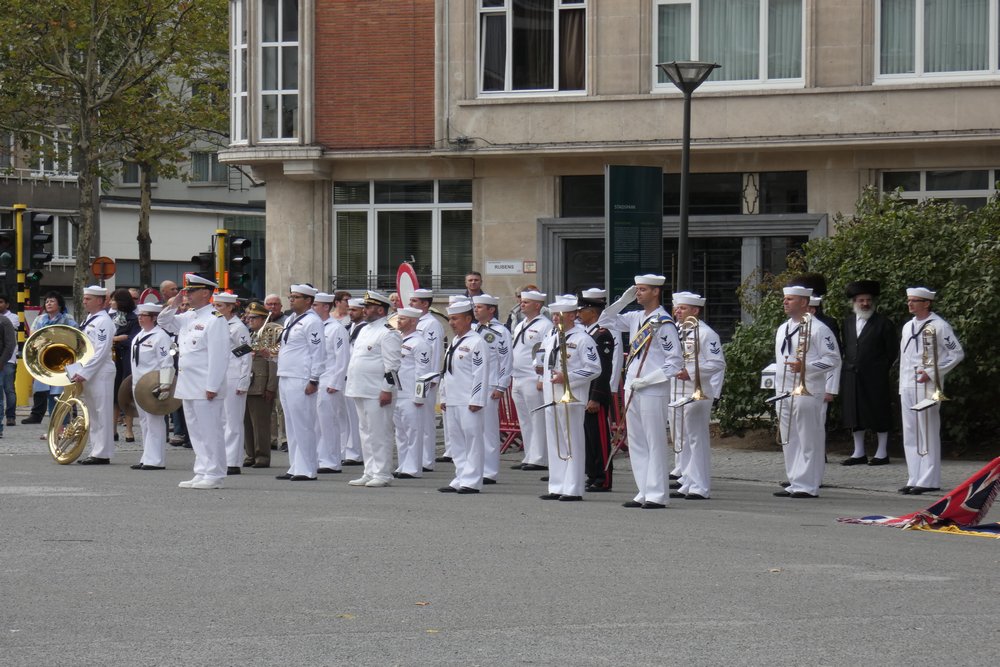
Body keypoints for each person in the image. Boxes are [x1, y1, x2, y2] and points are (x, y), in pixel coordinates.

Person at [598, 275, 683, 508]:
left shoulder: (663, 322)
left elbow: (675, 362)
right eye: (637, 290)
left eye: (643, 290)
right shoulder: (636, 317)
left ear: (656, 292)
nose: (639, 293)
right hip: (633, 387)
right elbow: (605, 319)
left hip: (652, 389)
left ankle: (657, 494)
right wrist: (623, 300)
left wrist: (649, 380)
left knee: (653, 441)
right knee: (636, 442)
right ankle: (643, 490)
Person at [158, 274, 230, 489]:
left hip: (205, 384)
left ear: (206, 293)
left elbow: (219, 356)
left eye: (191, 291)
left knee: (210, 431)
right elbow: (163, 321)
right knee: (196, 432)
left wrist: (212, 386)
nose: (186, 294)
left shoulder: (215, 319)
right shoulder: (189, 317)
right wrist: (175, 304)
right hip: (188, 384)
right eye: (186, 291)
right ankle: (202, 470)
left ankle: (215, 473)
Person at [771, 285, 841, 499]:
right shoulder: (784, 327)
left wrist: (807, 368)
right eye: (785, 299)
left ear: (803, 302)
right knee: (789, 438)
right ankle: (795, 480)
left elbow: (833, 359)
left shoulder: (819, 329)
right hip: (784, 389)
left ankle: (808, 484)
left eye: (790, 299)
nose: (785, 302)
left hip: (808, 389)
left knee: (807, 437)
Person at [898, 287, 964, 495]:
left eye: (915, 300)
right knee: (910, 433)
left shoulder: (939, 326)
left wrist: (933, 372)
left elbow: (956, 353)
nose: (910, 304)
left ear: (926, 303)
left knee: (927, 430)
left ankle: (929, 479)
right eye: (909, 300)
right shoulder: (908, 326)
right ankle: (914, 477)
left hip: (927, 385)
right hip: (908, 384)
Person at [537, 299, 600, 501]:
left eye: (560, 314)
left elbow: (594, 368)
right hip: (551, 394)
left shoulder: (583, 339)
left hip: (572, 396)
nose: (556, 318)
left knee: (572, 440)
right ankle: (557, 485)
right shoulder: (552, 336)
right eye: (554, 315)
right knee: (555, 440)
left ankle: (573, 487)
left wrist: (569, 377)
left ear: (573, 315)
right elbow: (543, 360)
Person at [668, 292, 726, 501]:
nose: (677, 312)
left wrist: (690, 372)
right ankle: (688, 481)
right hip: (676, 392)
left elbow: (717, 363)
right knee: (682, 441)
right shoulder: (677, 332)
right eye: (676, 308)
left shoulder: (705, 333)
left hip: (696, 392)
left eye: (682, 308)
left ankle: (700, 486)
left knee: (696, 439)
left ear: (695, 311)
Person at [345, 290, 401, 488]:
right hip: (360, 388)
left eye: (368, 307)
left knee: (380, 433)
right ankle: (369, 471)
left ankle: (383, 472)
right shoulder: (365, 330)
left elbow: (392, 366)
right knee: (366, 432)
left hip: (377, 390)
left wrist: (387, 389)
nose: (364, 310)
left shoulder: (388, 332)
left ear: (379, 309)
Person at [839, 280, 898, 466]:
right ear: (854, 302)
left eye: (868, 300)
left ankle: (881, 453)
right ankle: (859, 452)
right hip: (852, 375)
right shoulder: (847, 323)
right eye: (861, 300)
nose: (865, 303)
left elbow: (892, 351)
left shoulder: (883, 323)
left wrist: (879, 368)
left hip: (875, 376)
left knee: (879, 412)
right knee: (854, 413)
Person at [275, 284, 326, 482]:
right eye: (291, 296)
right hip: (286, 374)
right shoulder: (290, 319)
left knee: (303, 424)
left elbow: (318, 352)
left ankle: (307, 468)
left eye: (296, 297)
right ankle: (295, 465)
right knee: (291, 424)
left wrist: (314, 379)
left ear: (308, 301)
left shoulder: (313, 321)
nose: (292, 299)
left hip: (301, 377)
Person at [438, 300, 490, 494]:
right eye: (450, 319)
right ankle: (460, 476)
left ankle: (472, 480)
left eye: (456, 319)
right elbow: (446, 372)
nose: (452, 323)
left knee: (473, 440)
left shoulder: (476, 342)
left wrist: (476, 399)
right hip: (453, 399)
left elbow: (480, 372)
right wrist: (443, 397)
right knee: (457, 442)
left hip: (468, 400)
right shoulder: (455, 342)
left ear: (468, 319)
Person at [577, 289, 617, 492]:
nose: (578, 314)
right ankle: (592, 473)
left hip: (596, 395)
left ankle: (603, 477)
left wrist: (596, 397)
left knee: (600, 438)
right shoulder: (585, 334)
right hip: (584, 393)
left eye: (581, 310)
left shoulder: (602, 335)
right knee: (589, 437)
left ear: (592, 312)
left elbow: (603, 369)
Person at [72, 286, 117, 465]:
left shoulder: (103, 321)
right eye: (84, 299)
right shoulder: (90, 319)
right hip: (90, 372)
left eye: (88, 299)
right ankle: (96, 450)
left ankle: (103, 453)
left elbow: (101, 350)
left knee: (102, 412)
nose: (84, 302)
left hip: (101, 372)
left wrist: (84, 372)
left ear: (99, 301)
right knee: (93, 413)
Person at [509, 289, 553, 472]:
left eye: (527, 302)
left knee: (537, 418)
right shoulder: (520, 325)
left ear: (537, 305)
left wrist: (542, 377)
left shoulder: (545, 325)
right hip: (518, 375)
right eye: (522, 301)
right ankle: (529, 454)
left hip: (532, 376)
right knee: (525, 419)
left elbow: (544, 352)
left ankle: (540, 457)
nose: (522, 304)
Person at [128, 303, 173, 470]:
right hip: (138, 384)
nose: (140, 318)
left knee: (155, 421)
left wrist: (165, 385)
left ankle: (156, 459)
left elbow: (166, 362)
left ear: (154, 318)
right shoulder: (139, 335)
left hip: (153, 384)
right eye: (139, 315)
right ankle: (147, 456)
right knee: (145, 422)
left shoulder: (160, 336)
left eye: (144, 315)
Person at [472, 294, 512, 485]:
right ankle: (475, 467)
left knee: (488, 429)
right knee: (474, 428)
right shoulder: (472, 329)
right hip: (473, 384)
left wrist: (501, 385)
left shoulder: (500, 331)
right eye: (475, 307)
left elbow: (505, 359)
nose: (476, 310)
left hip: (490, 384)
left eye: (480, 307)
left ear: (491, 310)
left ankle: (489, 470)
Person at [23, 292, 78, 424]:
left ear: (59, 304)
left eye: (52, 301)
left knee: (62, 393)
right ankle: (55, 426)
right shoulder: (40, 319)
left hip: (64, 360)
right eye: (47, 301)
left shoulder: (68, 319)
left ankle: (64, 425)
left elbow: (75, 338)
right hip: (46, 359)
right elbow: (33, 337)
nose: (48, 304)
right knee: (49, 393)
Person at [392, 306, 433, 478]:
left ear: (413, 321)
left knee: (413, 432)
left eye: (402, 318)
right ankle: (403, 464)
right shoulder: (398, 339)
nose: (398, 321)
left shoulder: (420, 343)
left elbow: (423, 372)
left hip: (410, 394)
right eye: (398, 318)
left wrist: (419, 396)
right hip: (397, 393)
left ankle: (413, 467)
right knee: (400, 433)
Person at [213, 292, 251, 475]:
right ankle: (222, 458)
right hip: (220, 376)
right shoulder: (217, 324)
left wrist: (244, 381)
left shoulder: (237, 327)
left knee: (233, 420)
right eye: (215, 306)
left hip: (234, 375)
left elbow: (245, 354)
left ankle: (233, 461)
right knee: (221, 419)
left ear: (230, 307)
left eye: (220, 306)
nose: (216, 309)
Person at [408, 288, 446, 469]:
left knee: (425, 420)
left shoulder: (431, 324)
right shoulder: (415, 321)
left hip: (426, 379)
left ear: (425, 304)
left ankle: (427, 460)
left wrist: (431, 378)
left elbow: (435, 351)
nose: (410, 304)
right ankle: (417, 457)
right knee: (415, 420)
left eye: (414, 301)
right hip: (412, 379)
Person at [313, 291, 350, 475]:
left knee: (329, 422)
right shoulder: (314, 326)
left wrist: (336, 382)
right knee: (316, 423)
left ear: (326, 307)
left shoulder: (336, 328)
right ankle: (319, 457)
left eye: (315, 305)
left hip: (329, 380)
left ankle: (331, 460)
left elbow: (342, 358)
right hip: (314, 380)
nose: (312, 308)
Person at [243, 302, 278, 468]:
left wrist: (270, 386)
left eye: (254, 317)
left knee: (260, 424)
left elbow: (273, 362)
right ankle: (250, 454)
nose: (250, 320)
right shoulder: (250, 335)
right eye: (249, 317)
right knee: (247, 423)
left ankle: (262, 456)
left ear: (263, 318)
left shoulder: (268, 335)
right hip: (247, 384)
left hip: (260, 384)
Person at [110, 288, 140, 442]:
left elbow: (134, 339)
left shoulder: (134, 318)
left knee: (127, 394)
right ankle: (113, 429)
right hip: (113, 359)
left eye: (113, 300)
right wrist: (116, 339)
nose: (111, 302)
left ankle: (129, 429)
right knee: (114, 395)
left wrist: (120, 339)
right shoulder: (109, 317)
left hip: (127, 358)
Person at [341, 297, 368, 465]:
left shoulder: (364, 329)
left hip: (358, 377)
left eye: (354, 310)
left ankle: (357, 452)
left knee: (358, 417)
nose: (350, 313)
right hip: (346, 376)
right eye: (349, 310)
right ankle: (349, 450)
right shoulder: (348, 328)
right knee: (347, 417)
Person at [264, 293, 288, 452]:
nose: (272, 307)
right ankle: (272, 438)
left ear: (281, 306)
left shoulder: (286, 322)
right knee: (268, 404)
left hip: (280, 365)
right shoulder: (261, 322)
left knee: (282, 406)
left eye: (275, 304)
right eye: (269, 304)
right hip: (264, 366)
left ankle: (285, 438)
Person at [0, 295, 19, 427]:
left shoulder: (12, 318)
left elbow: (10, 343)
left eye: (1, 302)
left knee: (8, 389)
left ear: (7, 304)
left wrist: (2, 361)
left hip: (8, 359)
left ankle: (10, 416)